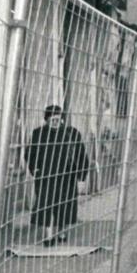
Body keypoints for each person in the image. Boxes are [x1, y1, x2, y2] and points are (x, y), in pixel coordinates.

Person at [27, 105, 89, 246]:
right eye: (52, 118)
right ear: (46, 119)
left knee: (65, 205)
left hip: (67, 176)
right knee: (46, 205)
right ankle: (48, 237)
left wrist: (81, 177)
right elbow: (30, 153)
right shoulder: (39, 133)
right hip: (45, 176)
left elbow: (81, 155)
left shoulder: (71, 133)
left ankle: (62, 233)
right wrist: (34, 169)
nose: (55, 121)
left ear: (61, 118)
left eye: (57, 118)